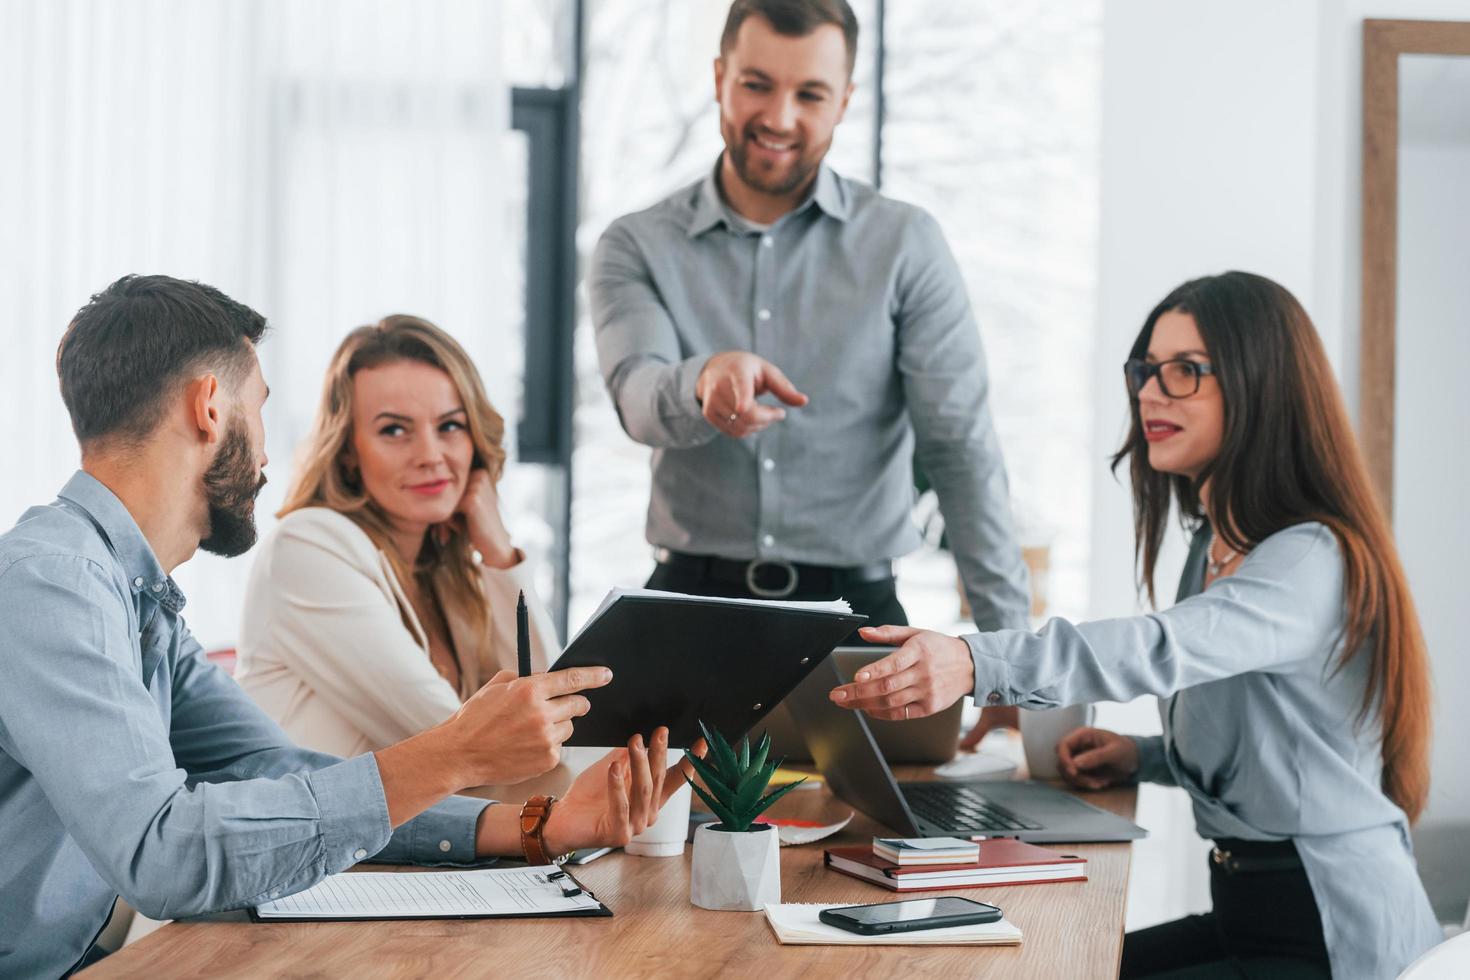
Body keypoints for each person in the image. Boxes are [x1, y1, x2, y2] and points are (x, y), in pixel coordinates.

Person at [0, 276, 696, 978]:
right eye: (261, 407)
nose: (270, 451)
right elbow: (164, 853)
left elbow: (283, 773)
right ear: (210, 408)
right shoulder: (52, 582)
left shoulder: (137, 598)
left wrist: (538, 828)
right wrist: (453, 753)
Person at [827, 271, 1440, 979]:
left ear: (1262, 385)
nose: (1149, 390)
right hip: (1251, 910)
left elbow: (1161, 648)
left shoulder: (1309, 558)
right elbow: (1276, 747)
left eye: (1185, 371)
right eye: (1148, 369)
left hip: (1334, 931)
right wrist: (1142, 756)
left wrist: (976, 662)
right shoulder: (1217, 546)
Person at [588, 0, 1031, 734]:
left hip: (860, 629)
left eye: (811, 94)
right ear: (720, 76)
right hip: (690, 615)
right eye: (757, 84)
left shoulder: (906, 246)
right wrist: (700, 384)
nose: (781, 117)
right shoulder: (636, 245)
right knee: (649, 840)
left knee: (882, 844)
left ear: (846, 100)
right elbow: (637, 395)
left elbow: (960, 450)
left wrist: (1005, 655)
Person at [236, 317, 561, 787]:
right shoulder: (307, 547)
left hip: (431, 852)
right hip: (333, 859)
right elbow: (472, 746)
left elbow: (554, 719)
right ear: (348, 450)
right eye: (394, 431)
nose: (430, 454)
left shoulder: (447, 571)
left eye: (450, 425)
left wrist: (498, 552)